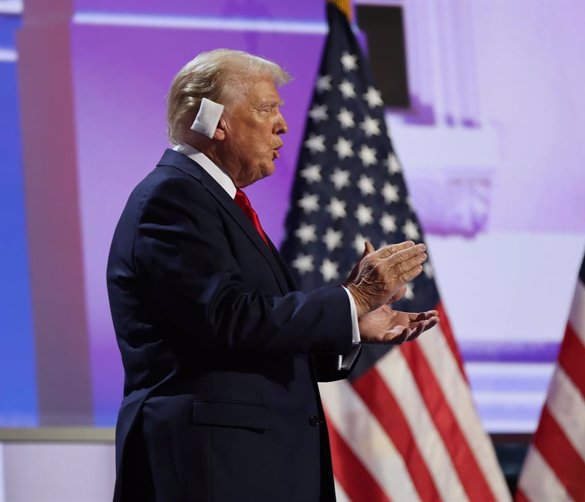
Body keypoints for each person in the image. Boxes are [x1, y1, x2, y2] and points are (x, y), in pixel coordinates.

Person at [107, 49, 438, 502]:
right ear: (214, 120)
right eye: (266, 109)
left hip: (255, 470)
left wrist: (349, 319)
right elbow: (227, 319)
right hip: (214, 471)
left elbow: (257, 336)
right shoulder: (172, 199)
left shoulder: (216, 203)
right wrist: (351, 297)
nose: (283, 124)